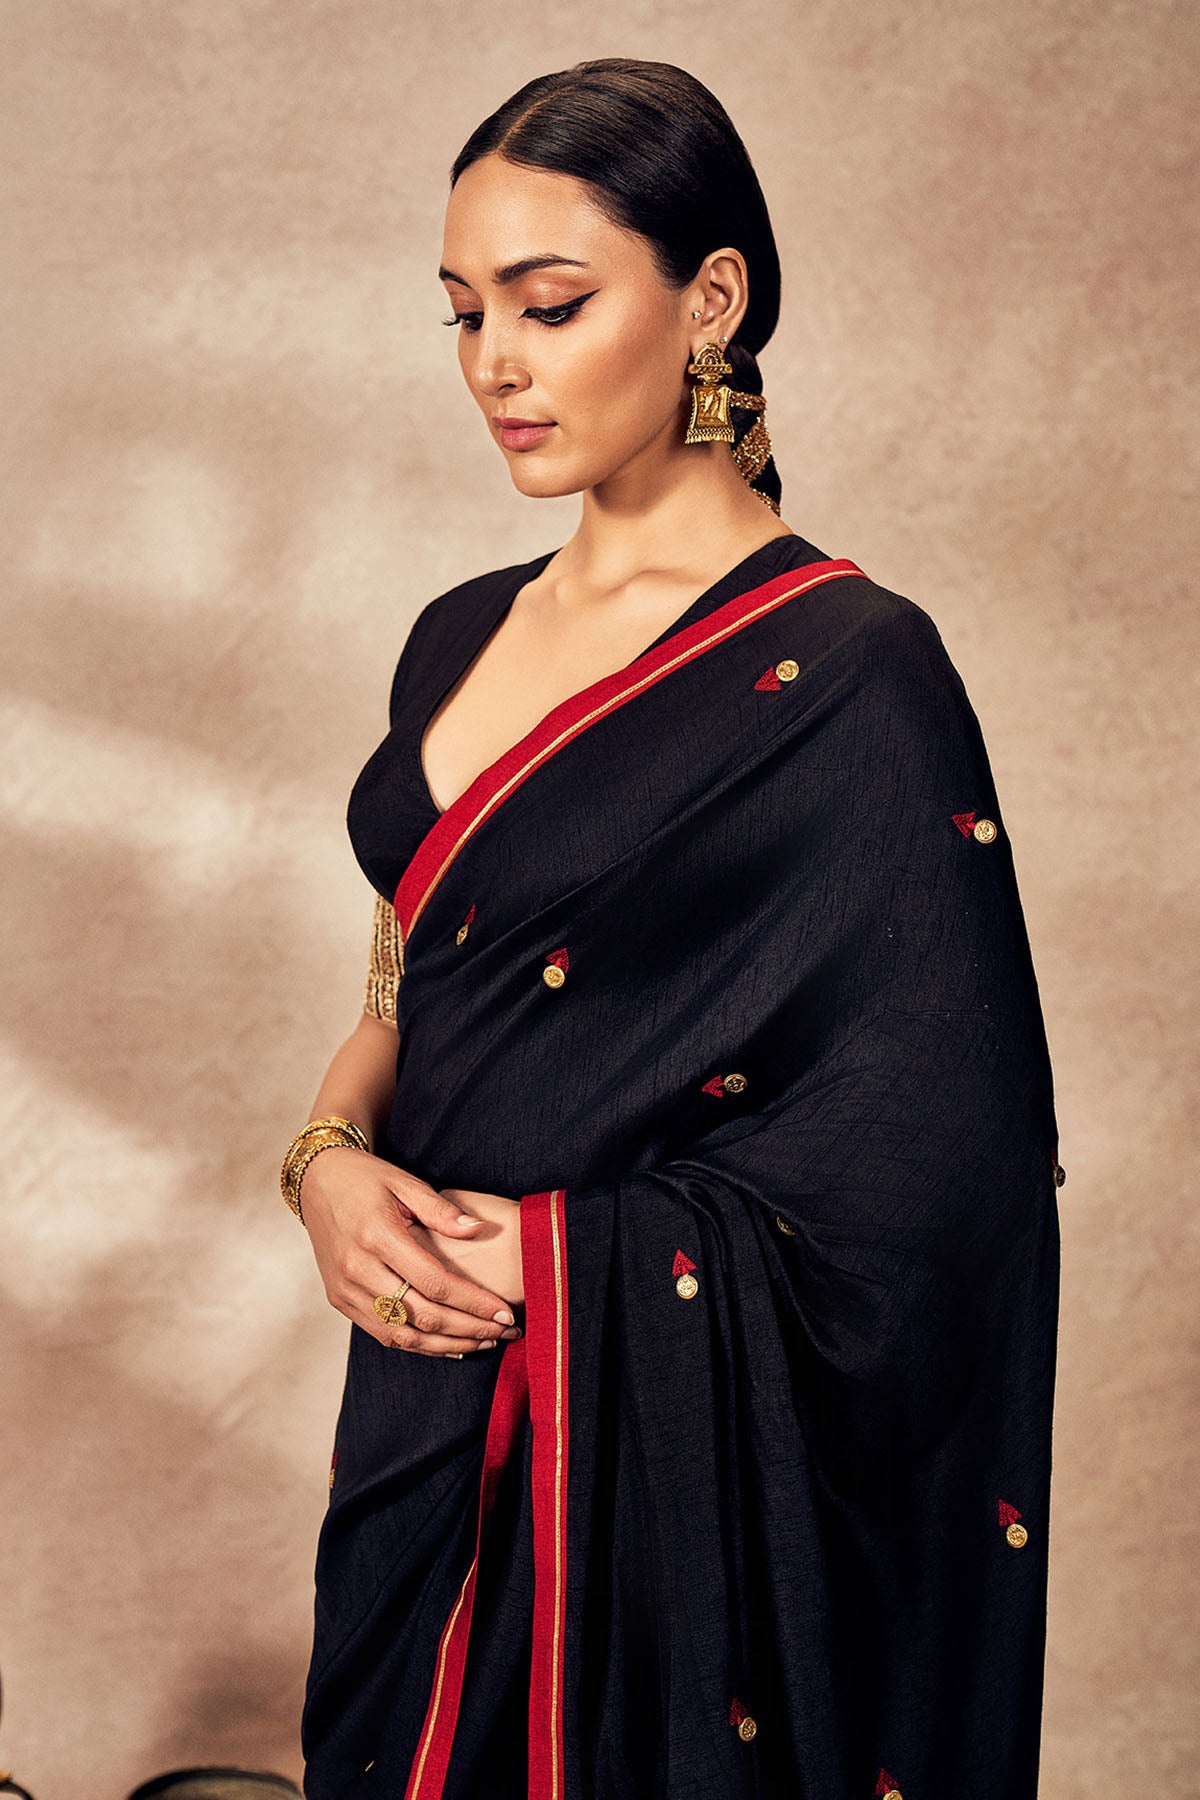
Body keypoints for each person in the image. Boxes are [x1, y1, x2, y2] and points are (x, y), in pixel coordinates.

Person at [284, 57, 1064, 1800]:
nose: (494, 363)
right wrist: (326, 1160)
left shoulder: (850, 669)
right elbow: (408, 983)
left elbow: (943, 1160)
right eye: (464, 312)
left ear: (711, 298)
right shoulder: (455, 633)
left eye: (550, 305)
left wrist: (572, 1266)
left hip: (634, 1434)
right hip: (421, 1400)